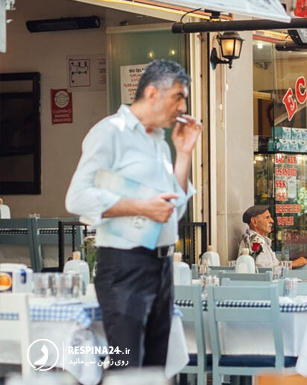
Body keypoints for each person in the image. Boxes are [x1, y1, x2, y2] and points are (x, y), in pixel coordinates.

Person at [65, 59, 201, 368]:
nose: (182, 107)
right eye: (178, 96)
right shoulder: (110, 132)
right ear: (152, 93)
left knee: (154, 368)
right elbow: (76, 197)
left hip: (162, 265)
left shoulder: (159, 141)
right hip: (125, 265)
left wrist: (183, 154)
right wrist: (140, 206)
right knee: (128, 368)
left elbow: (172, 210)